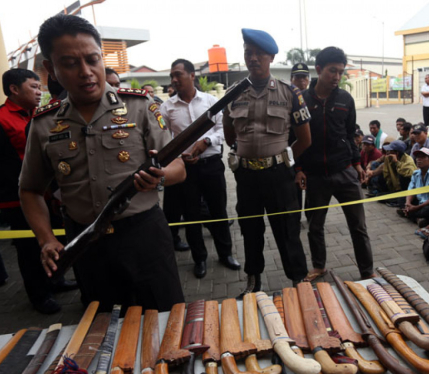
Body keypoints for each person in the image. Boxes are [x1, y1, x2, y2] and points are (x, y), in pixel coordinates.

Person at [22, 14, 186, 311]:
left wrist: (160, 176)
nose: (86, 72)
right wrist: (46, 239)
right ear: (52, 69)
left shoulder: (141, 106)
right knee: (104, 331)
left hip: (145, 236)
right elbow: (30, 190)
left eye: (92, 59)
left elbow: (178, 168)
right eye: (71, 63)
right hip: (87, 244)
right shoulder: (44, 124)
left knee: (166, 320)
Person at [223, 28, 312, 296]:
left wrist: (283, 157)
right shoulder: (233, 93)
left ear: (271, 57)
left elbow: (305, 139)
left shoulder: (290, 93)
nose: (253, 58)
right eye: (248, 53)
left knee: (287, 231)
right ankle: (253, 282)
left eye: (259, 53)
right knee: (250, 230)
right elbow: (230, 135)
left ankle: (298, 281)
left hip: (278, 175)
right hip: (246, 177)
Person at [0, 68, 77, 314]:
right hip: (19, 199)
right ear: (14, 89)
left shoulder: (40, 116)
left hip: (49, 195)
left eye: (39, 87)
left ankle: (56, 280)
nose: (39, 92)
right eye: (33, 87)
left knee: (55, 239)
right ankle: (39, 295)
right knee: (30, 249)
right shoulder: (1, 119)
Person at [297, 46, 374, 281]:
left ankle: (367, 271)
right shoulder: (302, 100)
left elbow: (351, 134)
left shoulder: (345, 99)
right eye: (332, 71)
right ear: (319, 69)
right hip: (315, 176)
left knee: (358, 227)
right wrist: (298, 169)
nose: (337, 77)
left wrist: (357, 165)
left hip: (345, 173)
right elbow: (294, 138)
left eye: (341, 72)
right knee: (315, 227)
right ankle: (319, 266)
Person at [160, 58, 240, 279]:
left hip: (212, 165)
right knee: (192, 216)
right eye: (172, 76)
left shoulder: (210, 101)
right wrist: (181, 156)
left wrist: (206, 143)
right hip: (186, 170)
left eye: (178, 74)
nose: (174, 79)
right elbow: (164, 140)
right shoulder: (167, 108)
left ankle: (226, 254)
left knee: (219, 212)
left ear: (192, 75)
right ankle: (200, 259)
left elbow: (222, 130)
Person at [397, 148, 429, 227]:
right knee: (402, 199)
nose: (419, 160)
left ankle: (409, 213)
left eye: (422, 157)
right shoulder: (416, 173)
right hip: (420, 201)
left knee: (428, 211)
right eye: (418, 157)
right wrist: (408, 203)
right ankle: (417, 218)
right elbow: (411, 190)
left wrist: (416, 208)